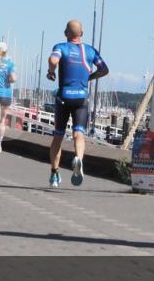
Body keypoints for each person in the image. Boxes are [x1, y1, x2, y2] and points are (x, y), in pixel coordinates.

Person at [46, 20, 109, 188]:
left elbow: (53, 60)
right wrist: (90, 77)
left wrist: (51, 72)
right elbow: (104, 70)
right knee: (78, 135)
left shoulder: (61, 47)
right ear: (82, 33)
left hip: (64, 97)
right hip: (81, 98)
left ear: (66, 33)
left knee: (58, 137)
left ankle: (54, 174)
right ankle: (78, 159)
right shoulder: (90, 51)